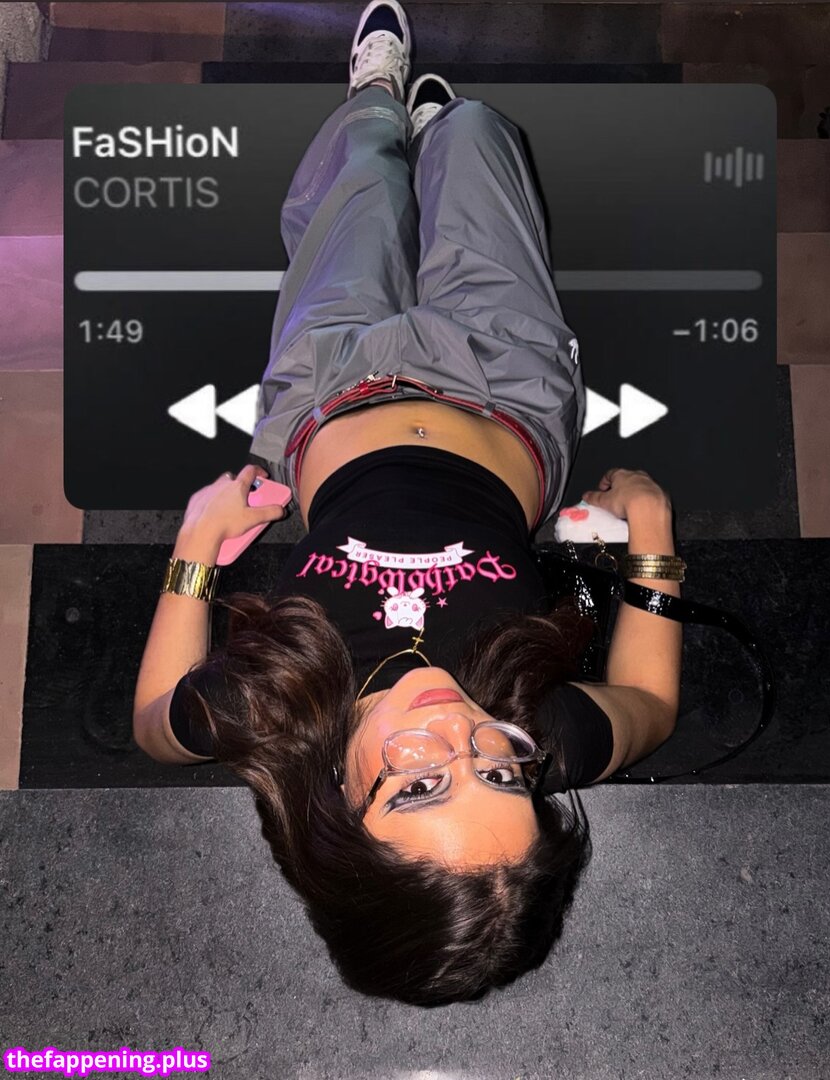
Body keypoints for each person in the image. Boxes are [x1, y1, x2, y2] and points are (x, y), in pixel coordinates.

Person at [133, 0, 685, 1006]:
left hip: (328, 393)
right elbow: (649, 709)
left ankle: (378, 102)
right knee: (477, 135)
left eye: (421, 784)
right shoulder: (538, 729)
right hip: (507, 389)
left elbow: (150, 723)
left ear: (339, 814)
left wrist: (193, 553)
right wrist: (653, 548)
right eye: (503, 777)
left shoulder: (269, 713)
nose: (462, 737)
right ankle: (439, 133)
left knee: (360, 189)